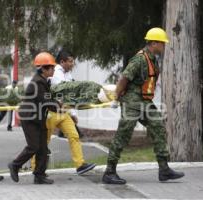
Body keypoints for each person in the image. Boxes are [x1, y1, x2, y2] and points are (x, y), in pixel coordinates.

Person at [102, 27, 185, 184]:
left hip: (145, 101)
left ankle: (164, 170)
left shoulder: (152, 58)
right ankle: (109, 172)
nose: (163, 46)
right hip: (133, 102)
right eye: (162, 43)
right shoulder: (139, 59)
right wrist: (115, 98)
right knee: (123, 135)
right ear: (153, 43)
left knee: (158, 128)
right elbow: (124, 78)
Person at [31, 50, 96, 175]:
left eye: (73, 61)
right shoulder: (56, 73)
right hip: (52, 113)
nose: (73, 64)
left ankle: (80, 164)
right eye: (70, 61)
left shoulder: (68, 74)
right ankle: (35, 167)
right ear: (62, 62)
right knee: (44, 142)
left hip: (63, 112)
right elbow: (65, 92)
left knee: (74, 136)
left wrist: (73, 114)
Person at [8, 52, 60, 184]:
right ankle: (15, 165)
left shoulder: (43, 81)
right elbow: (46, 101)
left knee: (43, 148)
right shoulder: (38, 83)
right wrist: (59, 106)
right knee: (34, 147)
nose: (54, 70)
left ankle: (39, 175)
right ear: (43, 68)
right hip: (30, 119)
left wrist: (58, 103)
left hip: (39, 118)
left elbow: (48, 99)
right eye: (51, 68)